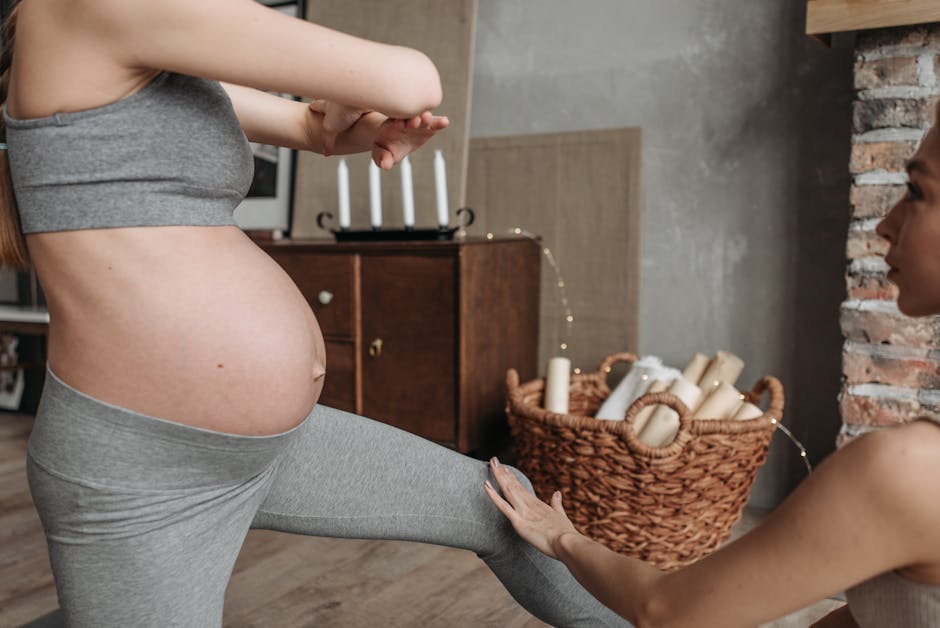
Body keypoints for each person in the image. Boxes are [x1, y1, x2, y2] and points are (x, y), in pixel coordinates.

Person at [0, 1, 628, 626]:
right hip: (142, 467)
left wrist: (345, 121)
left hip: (259, 448)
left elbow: (311, 130)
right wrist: (357, 97)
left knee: (501, 504)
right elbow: (411, 81)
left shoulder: (150, 55)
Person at [485, 102, 940, 628]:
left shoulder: (907, 468)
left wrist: (562, 537)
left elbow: (664, 611)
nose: (885, 224)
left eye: (918, 192)